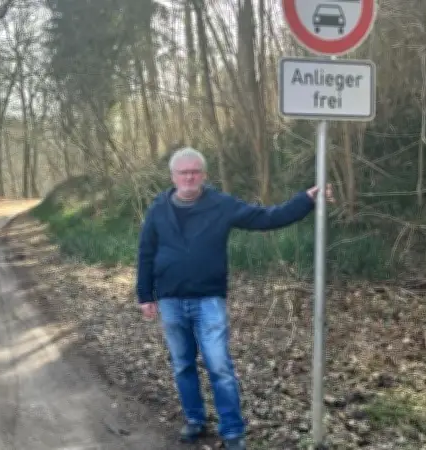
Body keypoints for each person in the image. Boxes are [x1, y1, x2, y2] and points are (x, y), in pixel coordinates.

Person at [135, 147, 333, 450]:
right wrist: (144, 294)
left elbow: (267, 218)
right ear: (173, 176)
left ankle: (232, 431)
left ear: (204, 174)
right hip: (171, 299)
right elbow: (146, 252)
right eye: (183, 172)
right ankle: (194, 420)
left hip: (208, 299)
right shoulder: (157, 209)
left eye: (195, 172)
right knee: (182, 365)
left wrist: (305, 200)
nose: (189, 177)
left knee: (219, 366)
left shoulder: (220, 205)